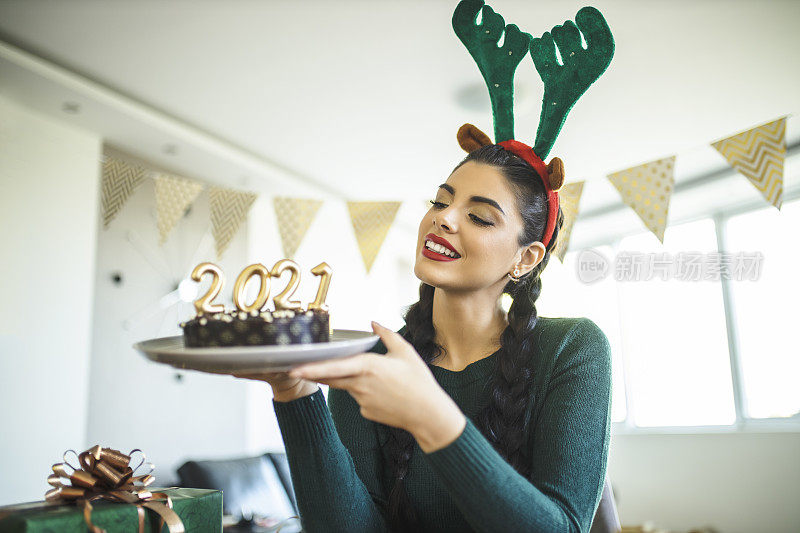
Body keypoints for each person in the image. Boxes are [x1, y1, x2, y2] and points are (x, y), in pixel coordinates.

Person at [235, 141, 613, 532]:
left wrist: (431, 416)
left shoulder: (573, 348)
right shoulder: (370, 360)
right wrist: (296, 393)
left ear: (526, 258)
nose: (444, 217)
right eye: (439, 201)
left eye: (480, 217)